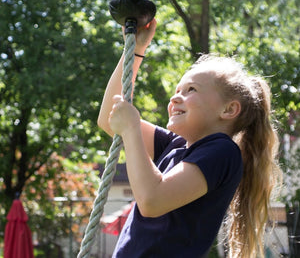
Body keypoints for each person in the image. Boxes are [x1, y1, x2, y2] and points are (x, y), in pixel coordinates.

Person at [97, 19, 282, 258]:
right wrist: (134, 50)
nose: (175, 98)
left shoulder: (222, 152)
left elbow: (152, 201)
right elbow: (107, 120)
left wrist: (131, 128)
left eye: (191, 90)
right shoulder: (174, 144)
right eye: (177, 91)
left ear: (228, 110)